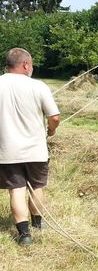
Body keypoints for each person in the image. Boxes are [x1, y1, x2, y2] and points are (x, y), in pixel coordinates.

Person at [0, 48, 60, 246]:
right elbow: (54, 117)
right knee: (36, 187)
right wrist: (51, 131)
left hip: (7, 151)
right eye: (31, 63)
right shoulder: (39, 86)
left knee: (16, 190)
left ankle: (24, 235)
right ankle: (37, 224)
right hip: (36, 150)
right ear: (26, 64)